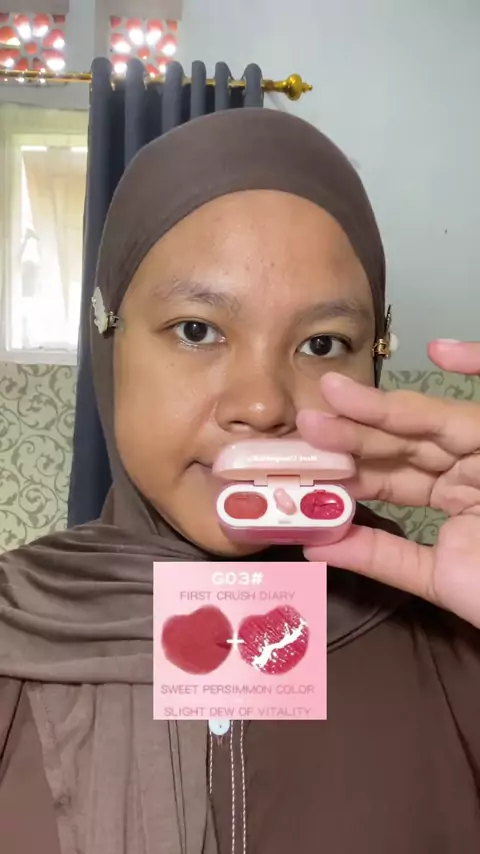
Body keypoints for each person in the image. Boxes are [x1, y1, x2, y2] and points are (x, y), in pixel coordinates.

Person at [0, 107, 479, 854]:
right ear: (109, 341)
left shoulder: (452, 641)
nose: (262, 406)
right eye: (197, 330)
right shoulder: (15, 628)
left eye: (323, 343)